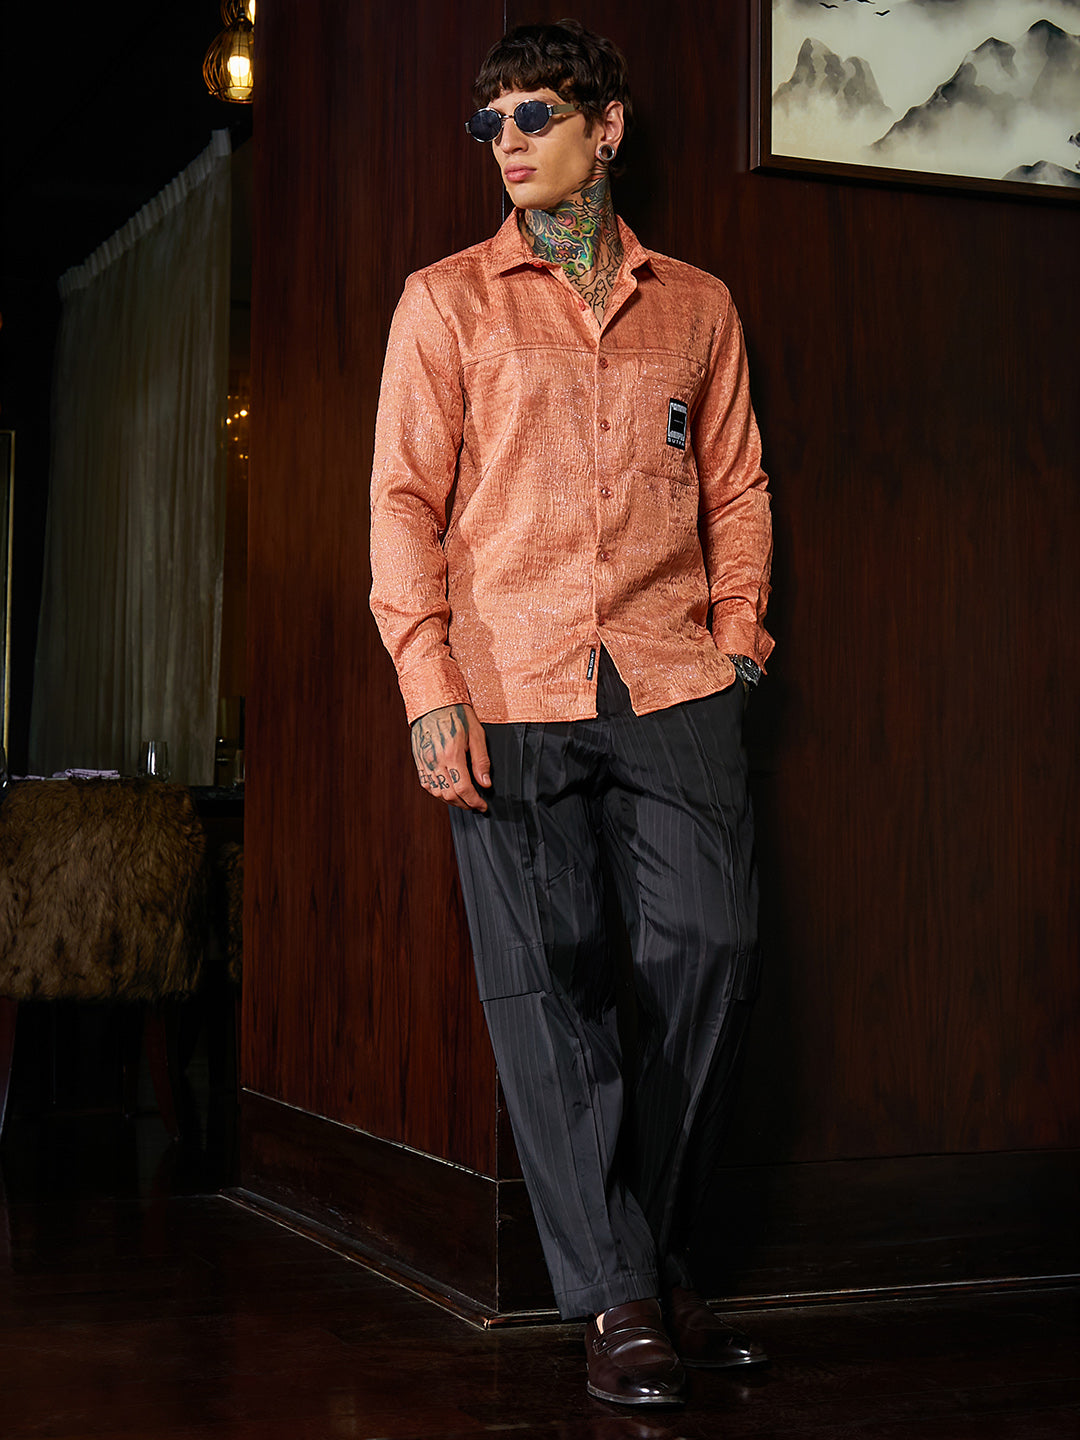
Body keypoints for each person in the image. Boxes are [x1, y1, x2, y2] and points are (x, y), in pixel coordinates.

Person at [370, 19, 773, 1409]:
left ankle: (647, 1255)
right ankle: (619, 1299)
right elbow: (402, 505)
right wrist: (430, 692)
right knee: (551, 988)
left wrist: (741, 639)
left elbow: (737, 487)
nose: (507, 142)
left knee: (712, 946)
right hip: (510, 682)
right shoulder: (445, 304)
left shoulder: (698, 308)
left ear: (606, 129)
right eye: (489, 123)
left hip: (673, 676)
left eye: (533, 115)